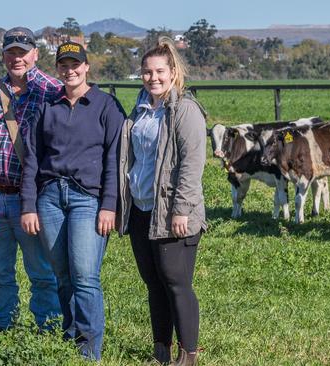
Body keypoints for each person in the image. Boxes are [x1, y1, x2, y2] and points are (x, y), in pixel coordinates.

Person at [20, 41, 126, 361]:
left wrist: (110, 204)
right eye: (63, 65)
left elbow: (114, 159)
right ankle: (70, 335)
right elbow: (32, 159)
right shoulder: (47, 107)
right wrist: (28, 205)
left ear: (87, 66)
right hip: (50, 197)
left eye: (75, 64)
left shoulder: (106, 106)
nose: (70, 70)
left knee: (84, 275)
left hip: (87, 198)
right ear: (58, 69)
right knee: (62, 275)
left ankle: (89, 349)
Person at [117, 37, 207, 366]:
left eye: (159, 71)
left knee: (176, 282)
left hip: (171, 211)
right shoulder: (140, 110)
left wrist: (181, 209)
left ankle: (189, 354)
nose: (152, 78)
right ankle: (161, 350)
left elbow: (191, 163)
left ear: (172, 72)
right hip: (141, 208)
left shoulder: (184, 109)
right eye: (146, 72)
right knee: (153, 282)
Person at [0, 26, 61, 331]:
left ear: (35, 54)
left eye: (23, 52)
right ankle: (2, 327)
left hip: (29, 198)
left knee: (42, 270)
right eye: (11, 52)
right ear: (3, 55)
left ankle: (47, 326)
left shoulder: (51, 90)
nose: (17, 58)